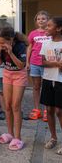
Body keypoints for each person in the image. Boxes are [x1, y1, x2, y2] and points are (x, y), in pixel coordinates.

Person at [0, 26, 27, 150]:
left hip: (19, 75)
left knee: (15, 106)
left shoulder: (20, 46)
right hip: (7, 74)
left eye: (2, 42)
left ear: (11, 39)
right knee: (7, 106)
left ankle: (18, 138)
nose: (0, 44)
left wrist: (10, 52)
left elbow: (21, 65)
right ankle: (10, 134)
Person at [39, 17, 62, 155]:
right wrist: (56, 64)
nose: (46, 28)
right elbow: (42, 61)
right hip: (48, 79)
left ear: (58, 28)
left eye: (49, 26)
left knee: (60, 111)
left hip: (60, 81)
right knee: (49, 109)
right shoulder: (46, 43)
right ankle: (53, 137)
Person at [26, 11, 51, 121]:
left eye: (43, 18)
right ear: (36, 21)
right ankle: (37, 110)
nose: (41, 20)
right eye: (38, 19)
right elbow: (30, 48)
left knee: (47, 88)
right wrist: (27, 62)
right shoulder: (32, 34)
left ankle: (47, 110)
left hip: (47, 64)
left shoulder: (50, 33)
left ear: (47, 20)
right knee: (36, 87)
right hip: (34, 63)